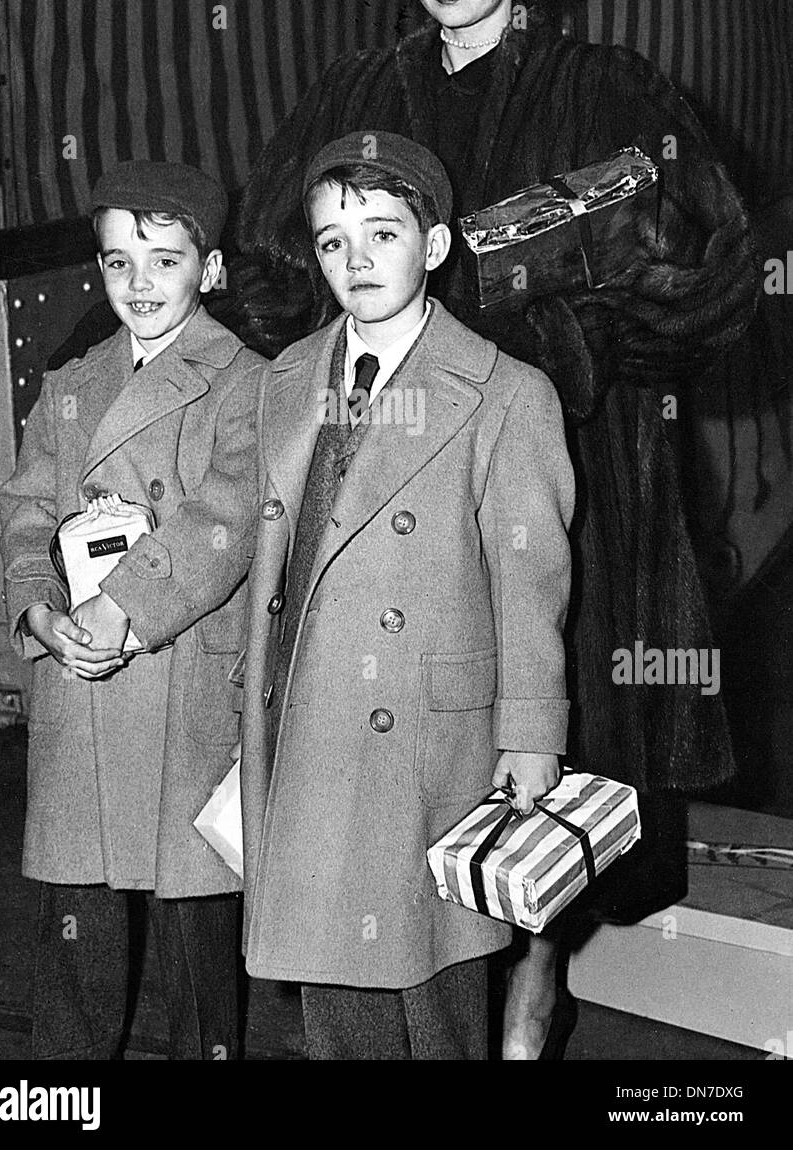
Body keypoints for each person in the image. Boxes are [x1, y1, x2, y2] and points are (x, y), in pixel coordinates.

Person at [227, 0, 759, 1059]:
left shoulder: (612, 88)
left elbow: (714, 280)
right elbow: (265, 274)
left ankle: (528, 968)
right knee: (405, 729)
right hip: (390, 463)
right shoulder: (355, 94)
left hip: (564, 465)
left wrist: (564, 332)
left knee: (539, 725)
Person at [240, 130, 575, 1060]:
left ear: (433, 247)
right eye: (333, 241)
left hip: (431, 744)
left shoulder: (507, 394)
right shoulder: (287, 378)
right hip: (305, 722)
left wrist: (532, 734)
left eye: (383, 235)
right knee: (334, 1001)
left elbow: (532, 581)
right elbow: (248, 537)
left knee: (436, 1004)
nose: (357, 261)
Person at [0, 160, 265, 1059]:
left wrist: (123, 609)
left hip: (181, 681)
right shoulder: (70, 383)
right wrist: (37, 614)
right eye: (119, 263)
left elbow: (224, 521)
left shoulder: (248, 381)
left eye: (164, 259)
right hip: (81, 689)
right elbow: (26, 512)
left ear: (211, 269)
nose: (140, 284)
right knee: (77, 944)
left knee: (198, 956)